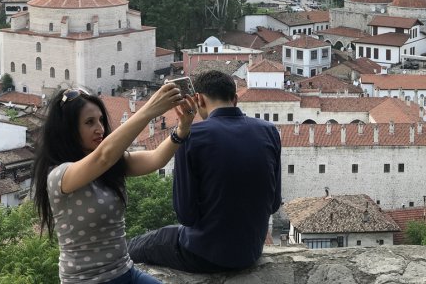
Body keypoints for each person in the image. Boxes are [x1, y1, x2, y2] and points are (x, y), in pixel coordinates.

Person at [31, 83, 197, 284]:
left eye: (100, 120)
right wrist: (150, 109)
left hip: (126, 272)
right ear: (68, 129)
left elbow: (156, 159)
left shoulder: (110, 165)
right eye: (89, 122)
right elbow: (103, 157)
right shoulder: (59, 175)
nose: (99, 128)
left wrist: (182, 129)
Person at [128, 70, 282, 273]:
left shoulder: (191, 136)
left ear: (198, 99)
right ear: (235, 99)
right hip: (250, 252)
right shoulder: (269, 131)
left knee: (135, 246)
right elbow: (273, 204)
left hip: (205, 254)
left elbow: (186, 215)